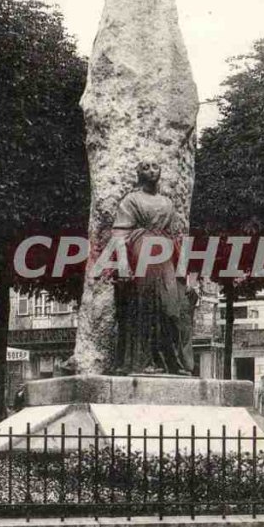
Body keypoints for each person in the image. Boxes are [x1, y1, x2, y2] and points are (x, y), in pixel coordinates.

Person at [111, 160, 194, 376]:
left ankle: (170, 362)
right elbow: (119, 234)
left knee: (170, 309)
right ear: (138, 172)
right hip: (141, 251)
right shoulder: (131, 200)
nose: (151, 171)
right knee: (144, 306)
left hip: (166, 254)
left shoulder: (167, 203)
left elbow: (178, 235)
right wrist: (123, 266)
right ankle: (142, 362)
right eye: (145, 167)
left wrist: (185, 271)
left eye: (155, 167)